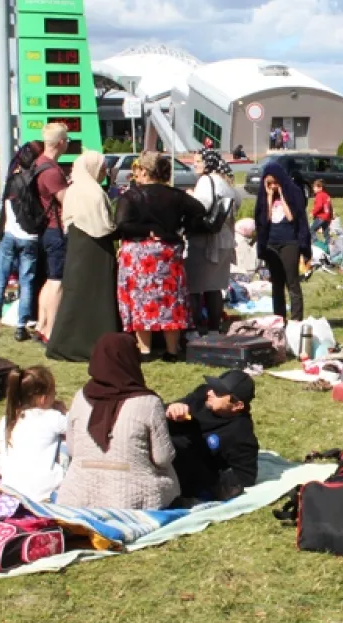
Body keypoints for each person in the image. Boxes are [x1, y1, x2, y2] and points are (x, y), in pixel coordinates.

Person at [58, 333, 179, 510]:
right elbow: (162, 458)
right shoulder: (148, 403)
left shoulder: (80, 397)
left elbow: (72, 449)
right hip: (133, 500)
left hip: (78, 495)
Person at [115, 152, 198, 361]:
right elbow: (200, 210)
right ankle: (172, 350)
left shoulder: (131, 196)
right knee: (171, 302)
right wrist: (179, 228)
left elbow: (121, 225)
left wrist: (147, 229)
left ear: (143, 170)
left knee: (140, 301)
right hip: (168, 253)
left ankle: (145, 349)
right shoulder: (176, 195)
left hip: (139, 256)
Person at [47, 150, 121, 362]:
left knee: (77, 295)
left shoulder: (73, 189)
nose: (104, 172)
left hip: (78, 247)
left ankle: (67, 343)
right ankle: (96, 343)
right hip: (95, 247)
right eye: (102, 169)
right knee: (98, 296)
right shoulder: (94, 192)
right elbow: (104, 225)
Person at [165, 370, 260, 502]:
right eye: (212, 388)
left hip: (182, 471)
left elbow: (246, 476)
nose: (210, 392)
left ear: (237, 405)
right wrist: (171, 409)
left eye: (218, 392)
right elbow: (161, 413)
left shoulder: (240, 434)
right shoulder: (202, 395)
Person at [0, 143, 42, 341]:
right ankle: (21, 326)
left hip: (9, 233)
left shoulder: (12, 181)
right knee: (26, 282)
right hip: (30, 237)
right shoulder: (36, 182)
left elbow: (5, 207)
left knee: (1, 279)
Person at [185, 148, 239, 336]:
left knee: (194, 287)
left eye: (198, 161)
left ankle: (195, 328)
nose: (195, 164)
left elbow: (201, 206)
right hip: (225, 240)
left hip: (206, 242)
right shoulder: (226, 183)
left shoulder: (206, 181)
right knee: (214, 287)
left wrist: (190, 196)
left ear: (208, 163)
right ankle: (214, 328)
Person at [0, 366, 67, 502]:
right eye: (54, 394)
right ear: (43, 399)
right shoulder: (53, 417)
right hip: (43, 491)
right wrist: (64, 412)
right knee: (67, 445)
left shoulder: (7, 421)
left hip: (11, 488)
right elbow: (78, 432)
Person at [254, 160, 311, 322]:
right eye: (269, 183)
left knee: (292, 282)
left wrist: (282, 195)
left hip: (289, 243)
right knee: (276, 285)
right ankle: (279, 320)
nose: (272, 186)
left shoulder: (292, 193)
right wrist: (270, 197)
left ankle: (296, 320)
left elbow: (292, 217)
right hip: (272, 243)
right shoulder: (264, 197)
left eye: (275, 182)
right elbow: (264, 221)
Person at [34, 124, 71, 342]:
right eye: (66, 139)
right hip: (55, 229)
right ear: (60, 143)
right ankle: (51, 331)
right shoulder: (52, 171)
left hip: (45, 229)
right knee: (57, 280)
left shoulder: (38, 164)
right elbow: (66, 200)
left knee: (50, 279)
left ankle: (42, 324)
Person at [310, 179, 333, 243]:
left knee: (312, 230)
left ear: (320, 188)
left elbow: (319, 206)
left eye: (315, 187)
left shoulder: (319, 195)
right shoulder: (326, 195)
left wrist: (313, 212)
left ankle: (316, 242)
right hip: (326, 217)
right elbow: (330, 207)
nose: (313, 189)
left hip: (321, 217)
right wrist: (331, 217)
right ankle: (330, 243)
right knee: (326, 233)